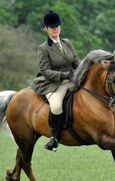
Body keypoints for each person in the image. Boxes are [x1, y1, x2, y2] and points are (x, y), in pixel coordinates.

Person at [32, 11, 81, 151]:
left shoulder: (67, 43)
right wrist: (62, 75)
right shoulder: (43, 48)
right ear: (46, 29)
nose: (55, 29)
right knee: (56, 106)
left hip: (71, 79)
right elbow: (45, 70)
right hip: (54, 83)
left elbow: (76, 61)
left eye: (57, 26)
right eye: (52, 27)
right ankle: (54, 137)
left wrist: (85, 69)